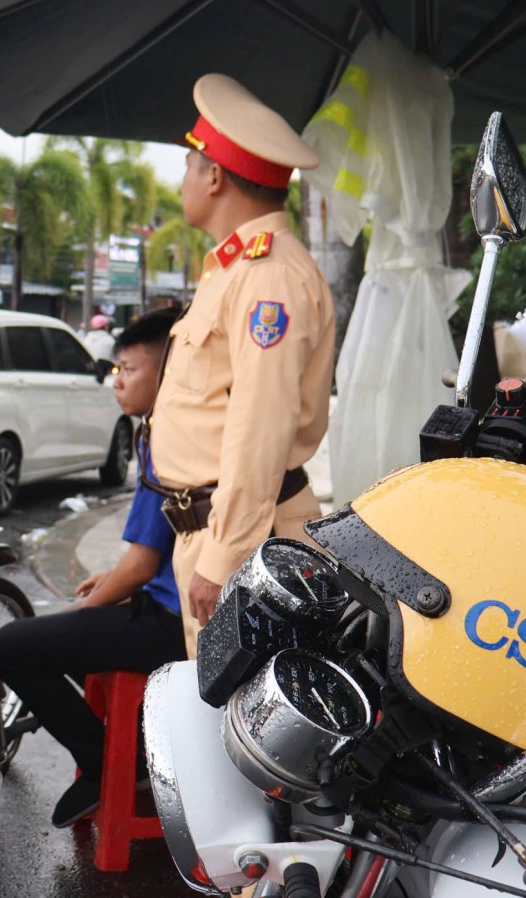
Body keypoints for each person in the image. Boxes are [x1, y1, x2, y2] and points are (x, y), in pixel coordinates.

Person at [145, 74, 336, 657]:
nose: (183, 178)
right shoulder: (237, 270)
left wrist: (223, 557)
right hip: (219, 532)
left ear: (214, 175)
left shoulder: (268, 277)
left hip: (244, 541)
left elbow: (260, 429)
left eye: (187, 164)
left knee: (237, 729)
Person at [0, 309, 184, 829]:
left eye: (128, 369)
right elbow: (153, 554)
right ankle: (133, 746)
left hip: (174, 627)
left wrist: (84, 608)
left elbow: (141, 566)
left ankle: (109, 764)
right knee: (77, 636)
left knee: (12, 648)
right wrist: (107, 590)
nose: (116, 381)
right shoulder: (179, 431)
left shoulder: (167, 438)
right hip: (183, 612)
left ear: (167, 373)